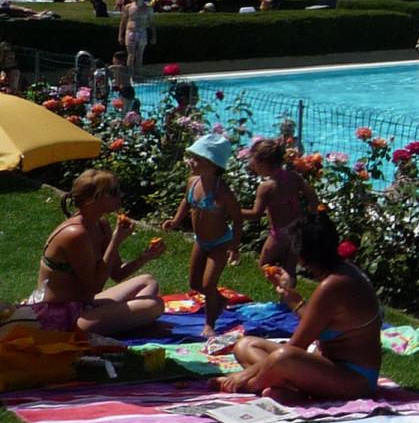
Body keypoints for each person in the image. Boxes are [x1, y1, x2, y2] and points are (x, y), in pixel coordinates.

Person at [218, 214, 383, 398]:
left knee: (284, 357)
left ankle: (250, 385)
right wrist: (288, 291)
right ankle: (283, 387)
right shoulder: (342, 273)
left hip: (355, 381)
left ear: (301, 257)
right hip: (330, 366)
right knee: (245, 345)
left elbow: (297, 346)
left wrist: (244, 375)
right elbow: (317, 323)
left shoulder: (333, 285)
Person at [30, 169, 167, 335]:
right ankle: (133, 322)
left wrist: (146, 257)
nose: (120, 195)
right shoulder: (75, 234)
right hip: (61, 317)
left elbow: (117, 273)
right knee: (154, 305)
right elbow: (95, 285)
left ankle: (130, 321)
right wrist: (116, 241)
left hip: (85, 305)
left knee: (148, 281)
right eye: (114, 192)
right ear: (93, 199)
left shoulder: (101, 224)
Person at [167, 133, 245, 338]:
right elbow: (186, 201)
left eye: (197, 159)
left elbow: (237, 218)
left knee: (208, 284)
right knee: (195, 284)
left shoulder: (222, 193)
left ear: (212, 165)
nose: (190, 162)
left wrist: (234, 247)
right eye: (191, 157)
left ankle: (209, 324)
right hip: (201, 241)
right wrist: (176, 220)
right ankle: (218, 300)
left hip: (220, 242)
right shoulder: (193, 182)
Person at [247, 136, 315, 272]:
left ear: (263, 164)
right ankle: (288, 291)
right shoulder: (294, 177)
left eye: (254, 165)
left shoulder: (267, 187)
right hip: (298, 230)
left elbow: (255, 214)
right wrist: (312, 215)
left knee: (265, 267)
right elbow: (311, 195)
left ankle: (280, 287)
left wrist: (231, 210)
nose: (253, 168)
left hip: (279, 235)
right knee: (290, 270)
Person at [120, 0, 154, 71]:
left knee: (139, 55)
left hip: (142, 32)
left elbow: (152, 23)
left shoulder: (148, 8)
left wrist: (154, 36)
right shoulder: (128, 7)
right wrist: (120, 35)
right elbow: (123, 21)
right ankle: (130, 75)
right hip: (130, 32)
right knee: (131, 55)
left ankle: (138, 74)